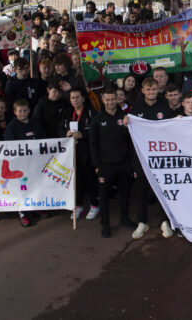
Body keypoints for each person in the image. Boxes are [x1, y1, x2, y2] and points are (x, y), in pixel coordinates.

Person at [128, 77, 174, 240]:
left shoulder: (164, 109)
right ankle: (142, 222)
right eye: (148, 89)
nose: (151, 92)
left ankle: (164, 221)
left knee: (162, 190)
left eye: (154, 89)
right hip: (141, 157)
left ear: (158, 90)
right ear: (143, 91)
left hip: (160, 159)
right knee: (141, 190)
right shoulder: (135, 111)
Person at [90, 86, 136, 238]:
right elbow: (93, 144)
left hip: (123, 164)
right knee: (103, 196)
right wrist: (97, 165)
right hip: (105, 165)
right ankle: (105, 224)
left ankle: (124, 218)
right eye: (107, 100)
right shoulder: (97, 119)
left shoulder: (125, 117)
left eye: (112, 99)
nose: (110, 102)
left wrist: (131, 163)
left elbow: (131, 142)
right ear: (102, 100)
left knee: (125, 193)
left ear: (118, 99)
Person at [5, 99, 46, 228]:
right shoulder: (11, 127)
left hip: (34, 163)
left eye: (25, 110)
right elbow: (9, 146)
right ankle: (23, 212)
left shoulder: (35, 124)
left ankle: (35, 207)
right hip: (20, 165)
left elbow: (43, 141)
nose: (22, 113)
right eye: (19, 111)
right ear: (15, 112)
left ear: (29, 111)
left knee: (35, 185)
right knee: (22, 188)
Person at [63, 87, 99, 221]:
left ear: (83, 98)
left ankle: (94, 205)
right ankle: (77, 205)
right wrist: (65, 134)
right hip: (73, 152)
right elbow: (61, 128)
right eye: (73, 98)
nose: (75, 100)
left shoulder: (91, 112)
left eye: (78, 97)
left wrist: (83, 134)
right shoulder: (68, 113)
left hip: (88, 152)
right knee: (76, 180)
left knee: (90, 178)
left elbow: (96, 132)